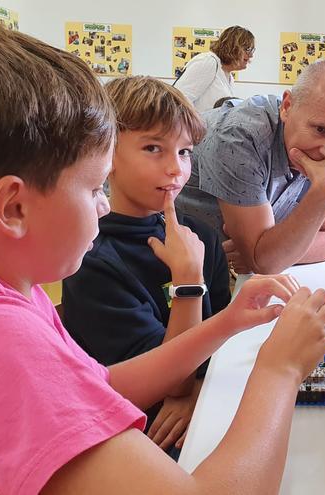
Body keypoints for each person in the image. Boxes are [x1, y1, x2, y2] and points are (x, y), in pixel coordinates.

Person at [0, 21, 325, 494]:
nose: (102, 204)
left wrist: (226, 322)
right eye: (91, 187)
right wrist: (281, 369)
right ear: (13, 207)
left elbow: (98, 383)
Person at [62, 76, 230, 458]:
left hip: (202, 409)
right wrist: (187, 283)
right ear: (107, 155)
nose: (176, 168)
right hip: (128, 433)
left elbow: (222, 340)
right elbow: (168, 382)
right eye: (154, 148)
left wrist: (198, 393)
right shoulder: (90, 260)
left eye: (185, 152)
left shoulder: (200, 237)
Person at [177, 59, 325, 274]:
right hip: (178, 264)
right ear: (287, 107)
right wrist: (324, 193)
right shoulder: (239, 137)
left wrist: (276, 249)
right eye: (320, 130)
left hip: (228, 269)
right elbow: (265, 263)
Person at [173, 26, 254, 112]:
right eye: (247, 49)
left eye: (252, 50)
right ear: (233, 47)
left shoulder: (229, 76)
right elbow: (177, 100)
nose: (251, 55)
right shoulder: (208, 62)